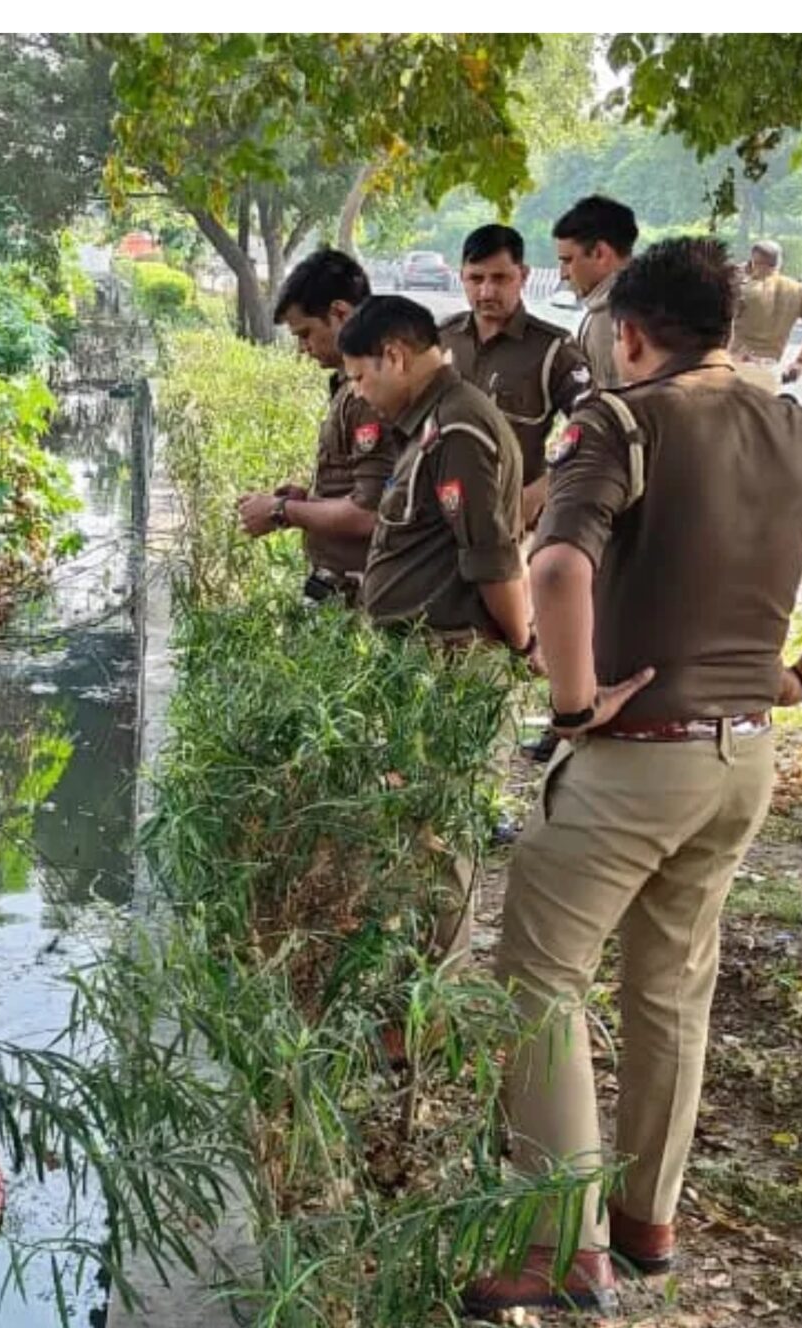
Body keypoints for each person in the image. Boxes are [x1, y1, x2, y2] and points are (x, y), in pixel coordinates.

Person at [468, 237, 802, 1314]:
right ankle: (644, 1219)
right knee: (672, 985)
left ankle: (560, 1245)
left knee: (537, 981)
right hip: (742, 759)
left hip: (633, 761)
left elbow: (552, 564)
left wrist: (574, 704)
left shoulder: (620, 419)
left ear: (629, 334)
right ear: (725, 330)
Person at [340, 293, 533, 975]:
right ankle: (412, 984)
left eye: (361, 377)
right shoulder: (431, 425)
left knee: (441, 833)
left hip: (451, 660)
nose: (360, 396)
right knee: (412, 826)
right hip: (421, 658)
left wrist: (520, 642)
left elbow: (493, 557)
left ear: (394, 356)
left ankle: (432, 1003)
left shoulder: (457, 431)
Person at [236, 251, 398, 603]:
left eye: (306, 333)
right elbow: (357, 487)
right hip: (341, 583)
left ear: (340, 313)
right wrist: (310, 500)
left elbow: (370, 514)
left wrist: (281, 513)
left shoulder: (368, 394)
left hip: (363, 589)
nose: (302, 349)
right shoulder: (348, 385)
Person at [440, 223, 594, 533]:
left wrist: (540, 492)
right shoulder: (441, 339)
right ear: (461, 277)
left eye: (500, 278)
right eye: (476, 278)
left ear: (523, 275)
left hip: (509, 527)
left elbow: (594, 428)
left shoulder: (553, 350)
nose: (486, 291)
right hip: (440, 523)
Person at [550, 195, 639, 390]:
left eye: (567, 260)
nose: (563, 274)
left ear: (600, 254)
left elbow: (613, 407)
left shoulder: (610, 319)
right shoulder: (650, 301)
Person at [731, 238, 802, 394]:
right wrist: (801, 362)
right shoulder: (797, 289)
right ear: (779, 263)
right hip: (771, 370)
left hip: (738, 365)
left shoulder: (743, 289)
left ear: (752, 262)